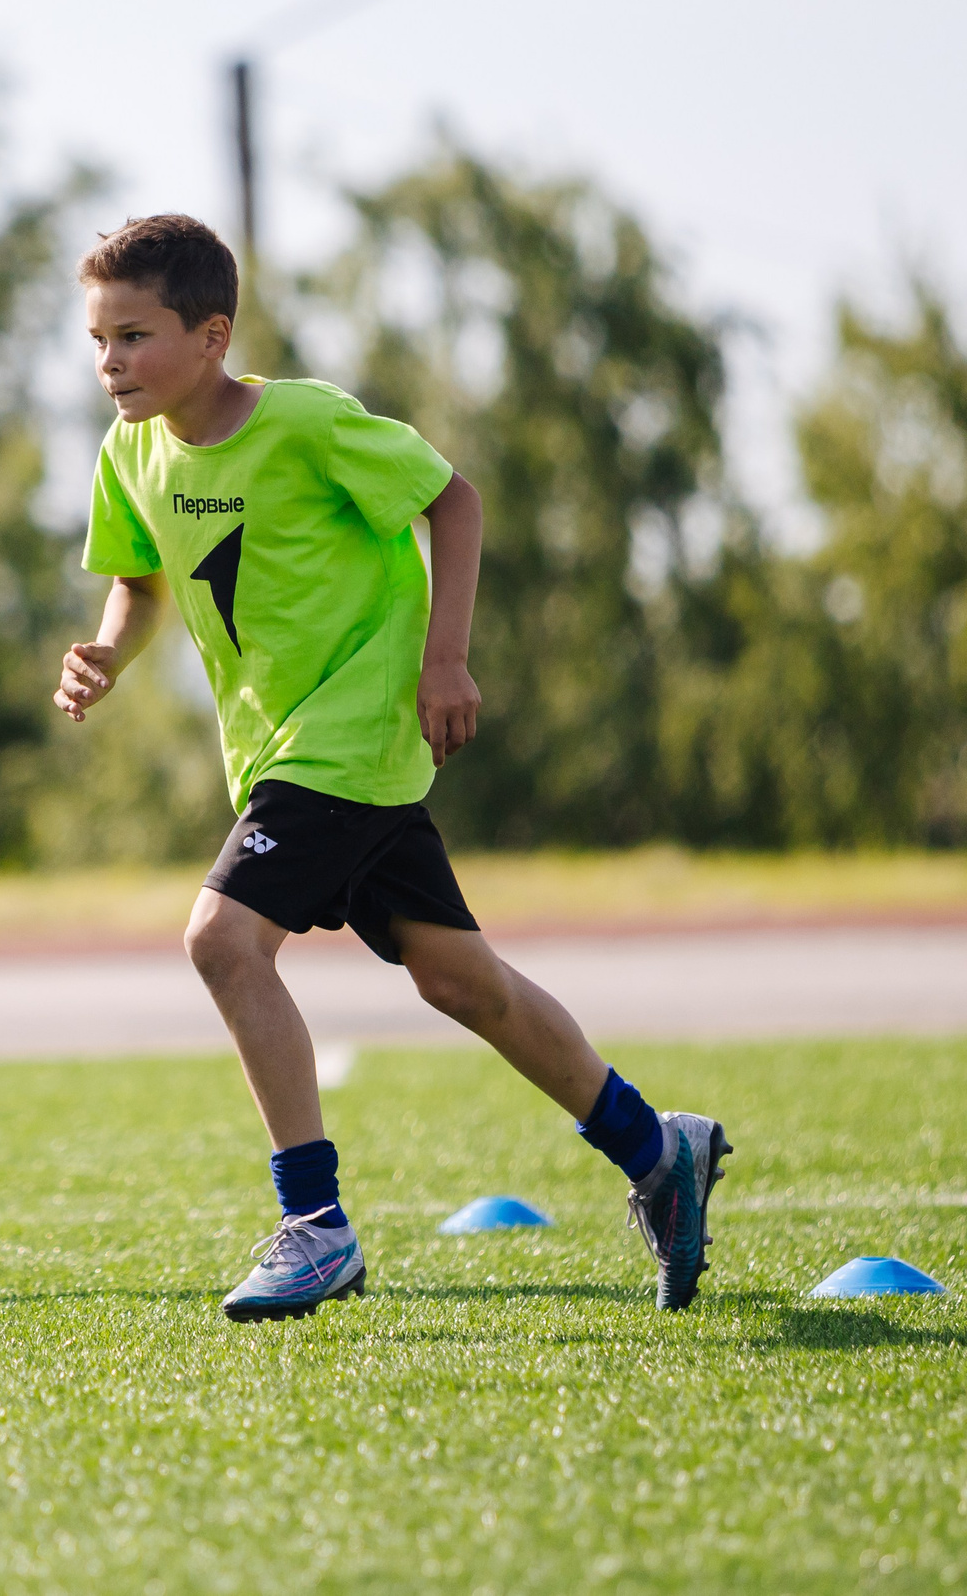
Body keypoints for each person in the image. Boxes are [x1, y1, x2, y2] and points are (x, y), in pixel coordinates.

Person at [54, 214, 732, 1323]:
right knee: (460, 981)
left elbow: (452, 500)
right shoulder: (130, 452)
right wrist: (106, 655)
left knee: (221, 941)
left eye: (133, 336)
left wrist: (445, 659)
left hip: (351, 735)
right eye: (97, 340)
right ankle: (659, 1151)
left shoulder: (305, 421)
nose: (109, 363)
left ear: (212, 336)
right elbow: (138, 578)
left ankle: (314, 1226)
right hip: (278, 750)